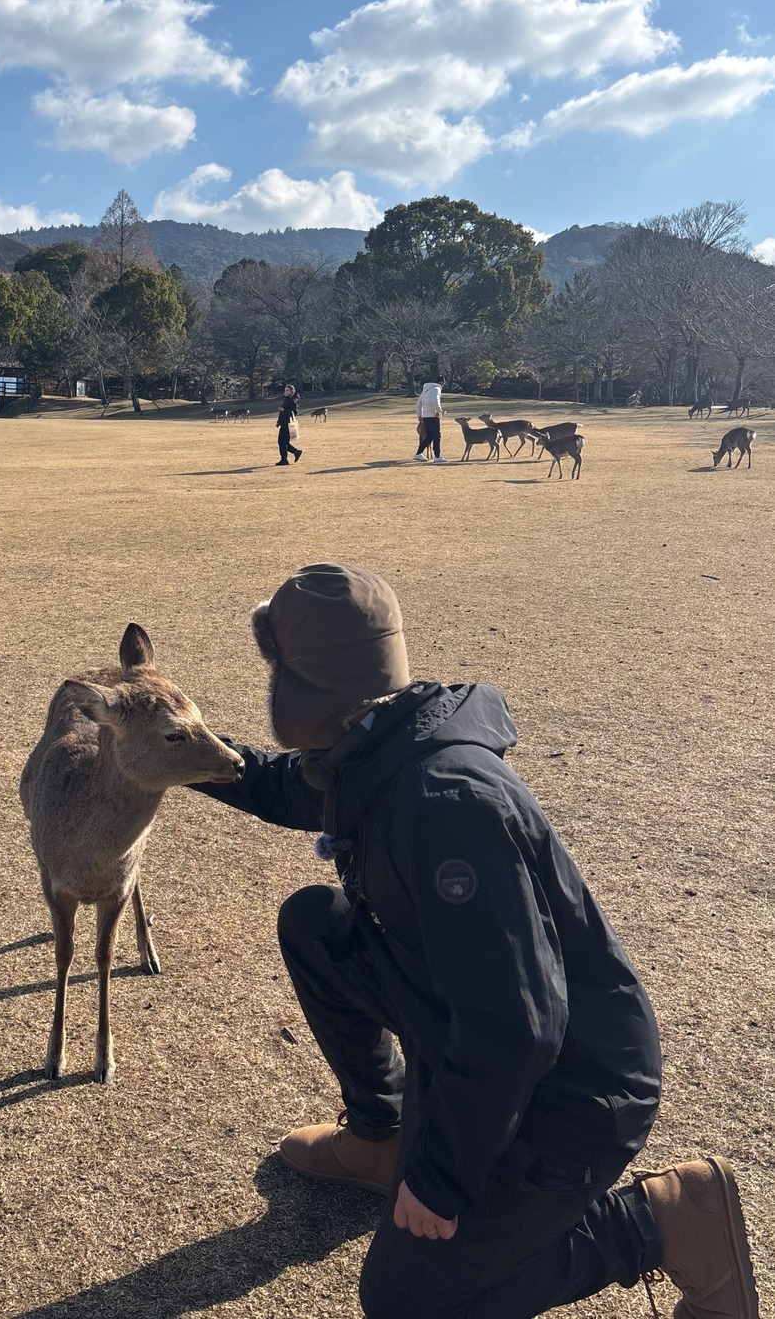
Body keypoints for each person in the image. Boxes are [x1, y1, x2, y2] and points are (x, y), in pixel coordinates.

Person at [193, 563, 758, 1319]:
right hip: (476, 1027)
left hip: (570, 1089)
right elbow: (271, 783)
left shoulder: (445, 804)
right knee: (318, 926)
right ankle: (379, 1137)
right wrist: (161, 747)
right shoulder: (372, 745)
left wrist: (442, 1178)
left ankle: (663, 1222)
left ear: (312, 683)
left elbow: (518, 1027)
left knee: (406, 1299)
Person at [415, 380, 447, 463]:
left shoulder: (425, 390)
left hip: (425, 416)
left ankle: (419, 453)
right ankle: (437, 456)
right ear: (442, 383)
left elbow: (418, 404)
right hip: (433, 416)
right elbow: (434, 400)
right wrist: (439, 411)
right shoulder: (436, 389)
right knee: (437, 436)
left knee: (430, 436)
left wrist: (420, 414)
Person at [275, 383, 302, 466]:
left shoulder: (291, 401)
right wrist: (279, 422)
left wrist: (284, 410)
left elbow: (294, 412)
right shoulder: (286, 400)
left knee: (282, 442)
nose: (285, 392)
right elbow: (283, 413)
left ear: (291, 392)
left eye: (287, 390)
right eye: (285, 390)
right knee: (283, 442)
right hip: (283, 423)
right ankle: (295, 452)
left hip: (287, 424)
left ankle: (285, 459)